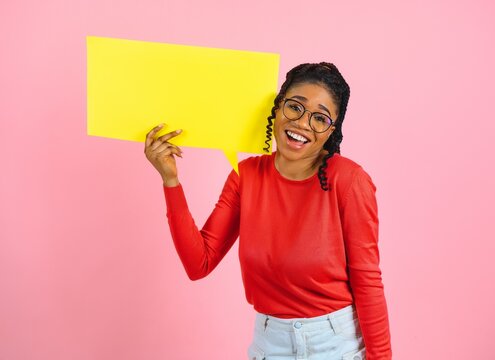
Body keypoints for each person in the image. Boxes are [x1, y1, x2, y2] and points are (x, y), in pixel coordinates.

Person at [144, 63, 392, 360]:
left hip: (335, 346)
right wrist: (171, 180)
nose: (302, 124)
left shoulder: (349, 181)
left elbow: (367, 282)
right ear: (277, 107)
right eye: (295, 107)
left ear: (332, 130)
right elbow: (199, 263)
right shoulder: (246, 176)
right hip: (269, 345)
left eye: (320, 118)